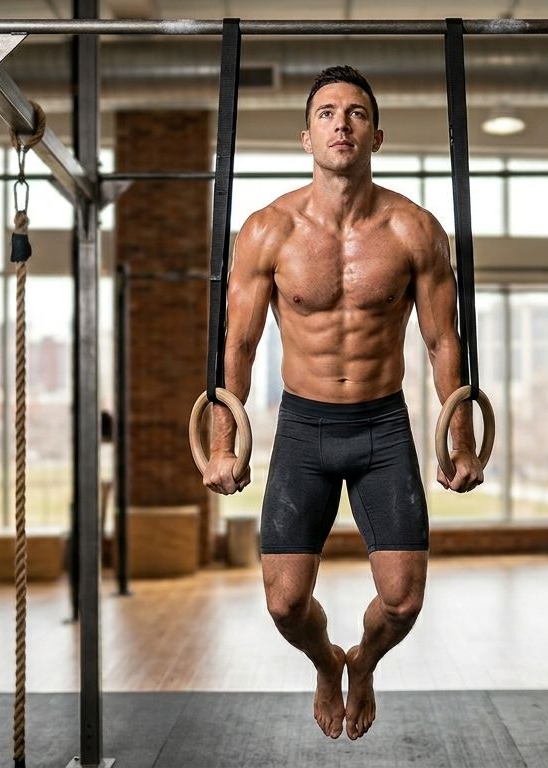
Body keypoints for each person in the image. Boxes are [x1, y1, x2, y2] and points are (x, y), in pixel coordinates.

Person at [201, 65, 485, 742]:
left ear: (376, 135)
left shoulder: (414, 230)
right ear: (307, 136)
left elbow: (443, 340)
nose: (341, 124)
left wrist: (463, 442)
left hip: (383, 426)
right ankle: (328, 662)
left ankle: (366, 662)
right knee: (284, 603)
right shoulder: (268, 230)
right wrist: (220, 443)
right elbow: (237, 344)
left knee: (402, 602)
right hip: (304, 428)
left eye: (356, 113)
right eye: (326, 113)